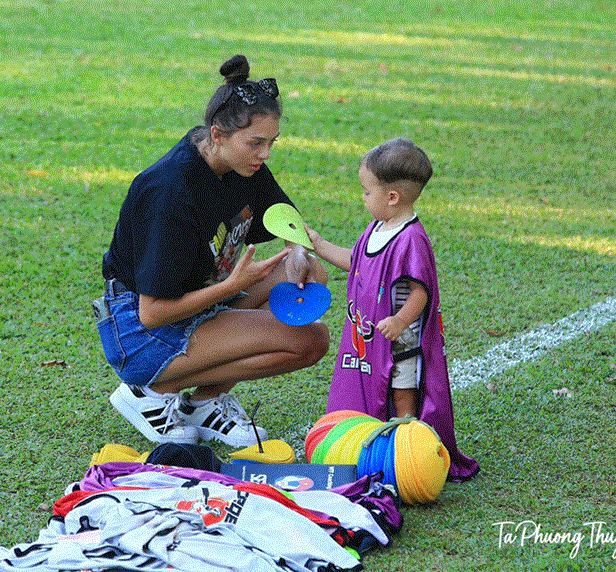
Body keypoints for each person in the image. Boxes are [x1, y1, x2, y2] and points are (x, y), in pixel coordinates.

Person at [97, 55, 329, 448]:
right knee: (310, 341)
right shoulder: (170, 192)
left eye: (271, 143)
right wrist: (232, 286)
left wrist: (296, 249)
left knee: (311, 274)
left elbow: (282, 214)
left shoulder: (239, 165)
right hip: (139, 330)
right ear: (218, 135)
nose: (265, 154)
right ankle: (148, 390)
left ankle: (204, 402)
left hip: (202, 297)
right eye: (256, 143)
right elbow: (151, 313)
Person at [305, 138, 478, 481]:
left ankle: (406, 440)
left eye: (367, 192)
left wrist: (400, 321)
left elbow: (421, 291)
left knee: (402, 385)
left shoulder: (411, 238)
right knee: (374, 384)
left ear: (393, 197)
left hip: (401, 338)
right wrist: (318, 244)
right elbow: (356, 262)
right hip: (369, 334)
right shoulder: (377, 228)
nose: (363, 198)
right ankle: (373, 441)